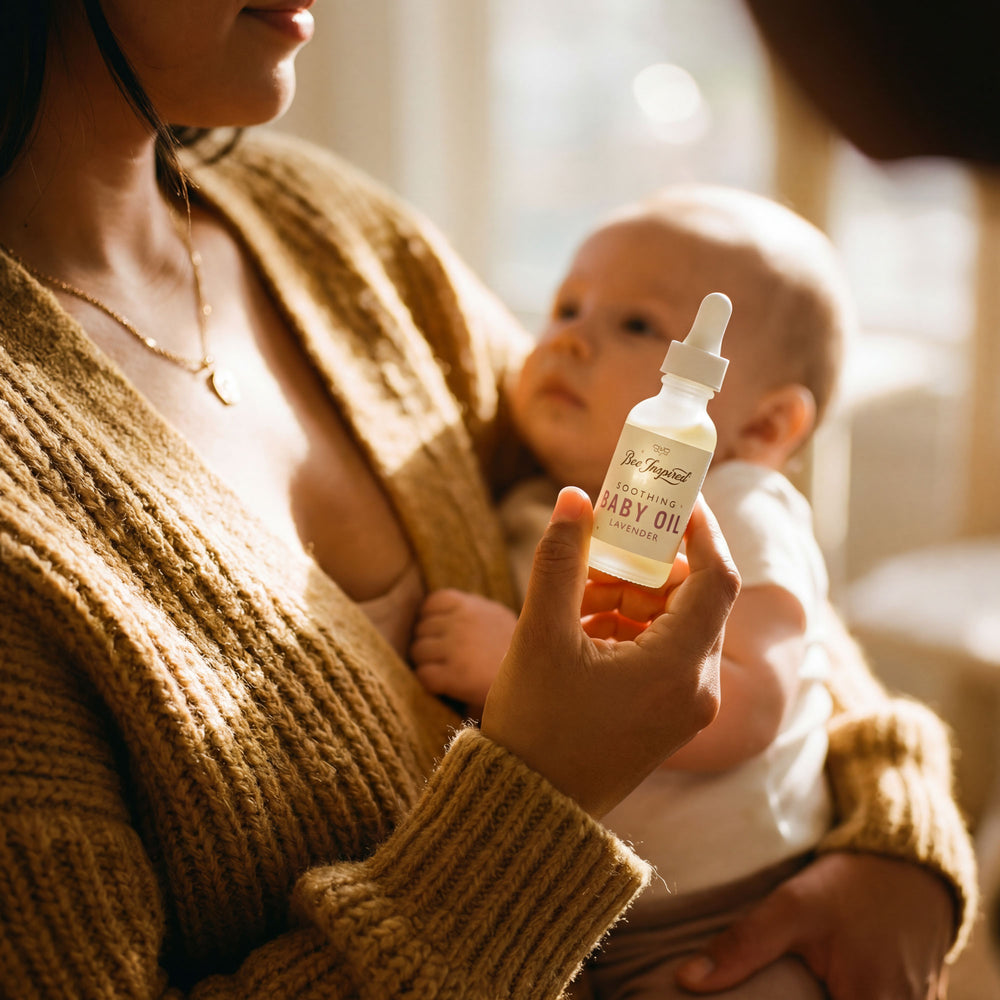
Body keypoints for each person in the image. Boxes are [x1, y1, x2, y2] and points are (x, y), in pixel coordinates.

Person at [0, 2, 974, 997]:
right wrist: (540, 790)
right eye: (571, 311)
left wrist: (894, 840)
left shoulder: (338, 236)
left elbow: (722, 568)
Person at [410, 185, 889, 997]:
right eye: (565, 308)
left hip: (734, 915)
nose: (569, 342)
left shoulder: (737, 502)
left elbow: (752, 702)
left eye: (634, 325)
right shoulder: (529, 504)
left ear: (766, 427)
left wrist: (513, 669)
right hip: (577, 917)